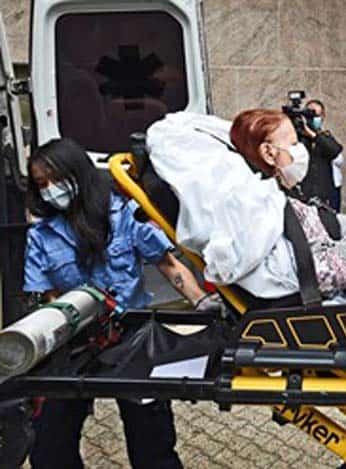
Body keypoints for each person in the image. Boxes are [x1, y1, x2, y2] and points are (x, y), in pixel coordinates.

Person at [23, 139, 225, 469]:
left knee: (152, 444)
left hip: (132, 335)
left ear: (77, 174)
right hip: (73, 341)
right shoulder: (41, 235)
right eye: (42, 184)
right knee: (50, 446)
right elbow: (47, 296)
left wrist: (202, 301)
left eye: (55, 179)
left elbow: (168, 263)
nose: (51, 190)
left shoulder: (121, 214)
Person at [230, 109, 346, 295]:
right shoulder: (267, 209)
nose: (301, 152)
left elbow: (318, 223)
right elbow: (321, 275)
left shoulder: (277, 198)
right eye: (294, 144)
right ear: (269, 153)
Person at [297, 99, 343, 204]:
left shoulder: (324, 137)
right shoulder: (296, 137)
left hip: (322, 194)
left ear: (322, 117)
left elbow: (335, 151)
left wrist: (314, 136)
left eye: (316, 115)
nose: (313, 118)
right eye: (310, 114)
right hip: (302, 193)